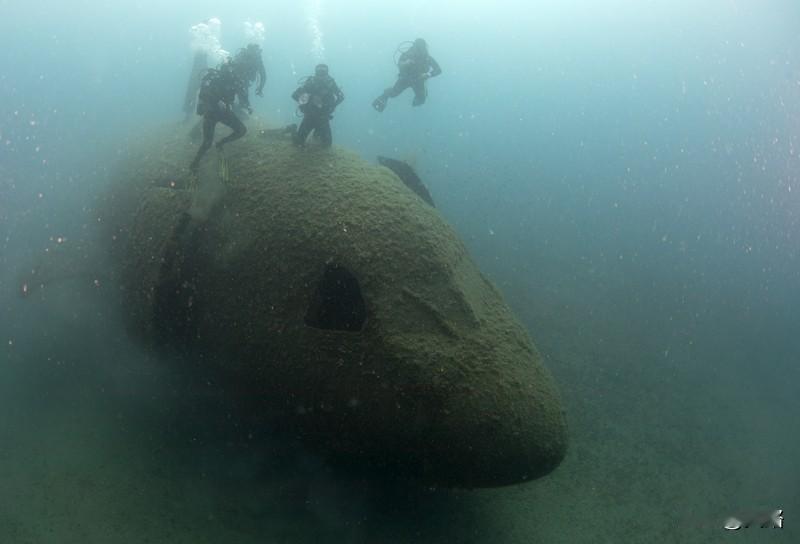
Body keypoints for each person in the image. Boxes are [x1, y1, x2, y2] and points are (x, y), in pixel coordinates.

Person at [189, 63, 248, 172]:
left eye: (231, 70)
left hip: (225, 113)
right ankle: (195, 163)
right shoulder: (213, 79)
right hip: (211, 113)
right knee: (207, 143)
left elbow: (242, 94)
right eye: (227, 70)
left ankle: (220, 143)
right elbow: (203, 94)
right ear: (221, 71)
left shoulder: (234, 80)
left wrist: (246, 105)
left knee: (242, 130)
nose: (229, 72)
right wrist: (217, 101)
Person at [372, 38, 441, 112]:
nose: (419, 51)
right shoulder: (407, 55)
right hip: (406, 78)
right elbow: (399, 64)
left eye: (421, 48)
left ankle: (414, 109)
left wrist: (428, 74)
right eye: (417, 48)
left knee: (421, 99)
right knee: (393, 93)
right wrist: (406, 63)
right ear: (414, 47)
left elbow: (438, 70)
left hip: (419, 80)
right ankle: (382, 98)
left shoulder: (427, 58)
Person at [291, 64, 344, 148]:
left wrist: (330, 107)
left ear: (327, 73)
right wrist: (309, 98)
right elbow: (294, 95)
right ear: (316, 73)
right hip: (309, 117)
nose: (321, 75)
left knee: (327, 145)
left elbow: (341, 97)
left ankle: (317, 134)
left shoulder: (330, 83)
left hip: (323, 118)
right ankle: (292, 130)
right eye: (319, 72)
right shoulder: (310, 82)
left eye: (323, 72)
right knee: (297, 143)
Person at [229, 43, 267, 108]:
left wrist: (260, 88)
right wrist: (260, 88)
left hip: (244, 81)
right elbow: (231, 67)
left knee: (243, 103)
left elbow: (263, 76)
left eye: (255, 51)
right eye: (252, 50)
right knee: (229, 98)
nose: (252, 54)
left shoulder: (257, 60)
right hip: (234, 79)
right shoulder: (243, 55)